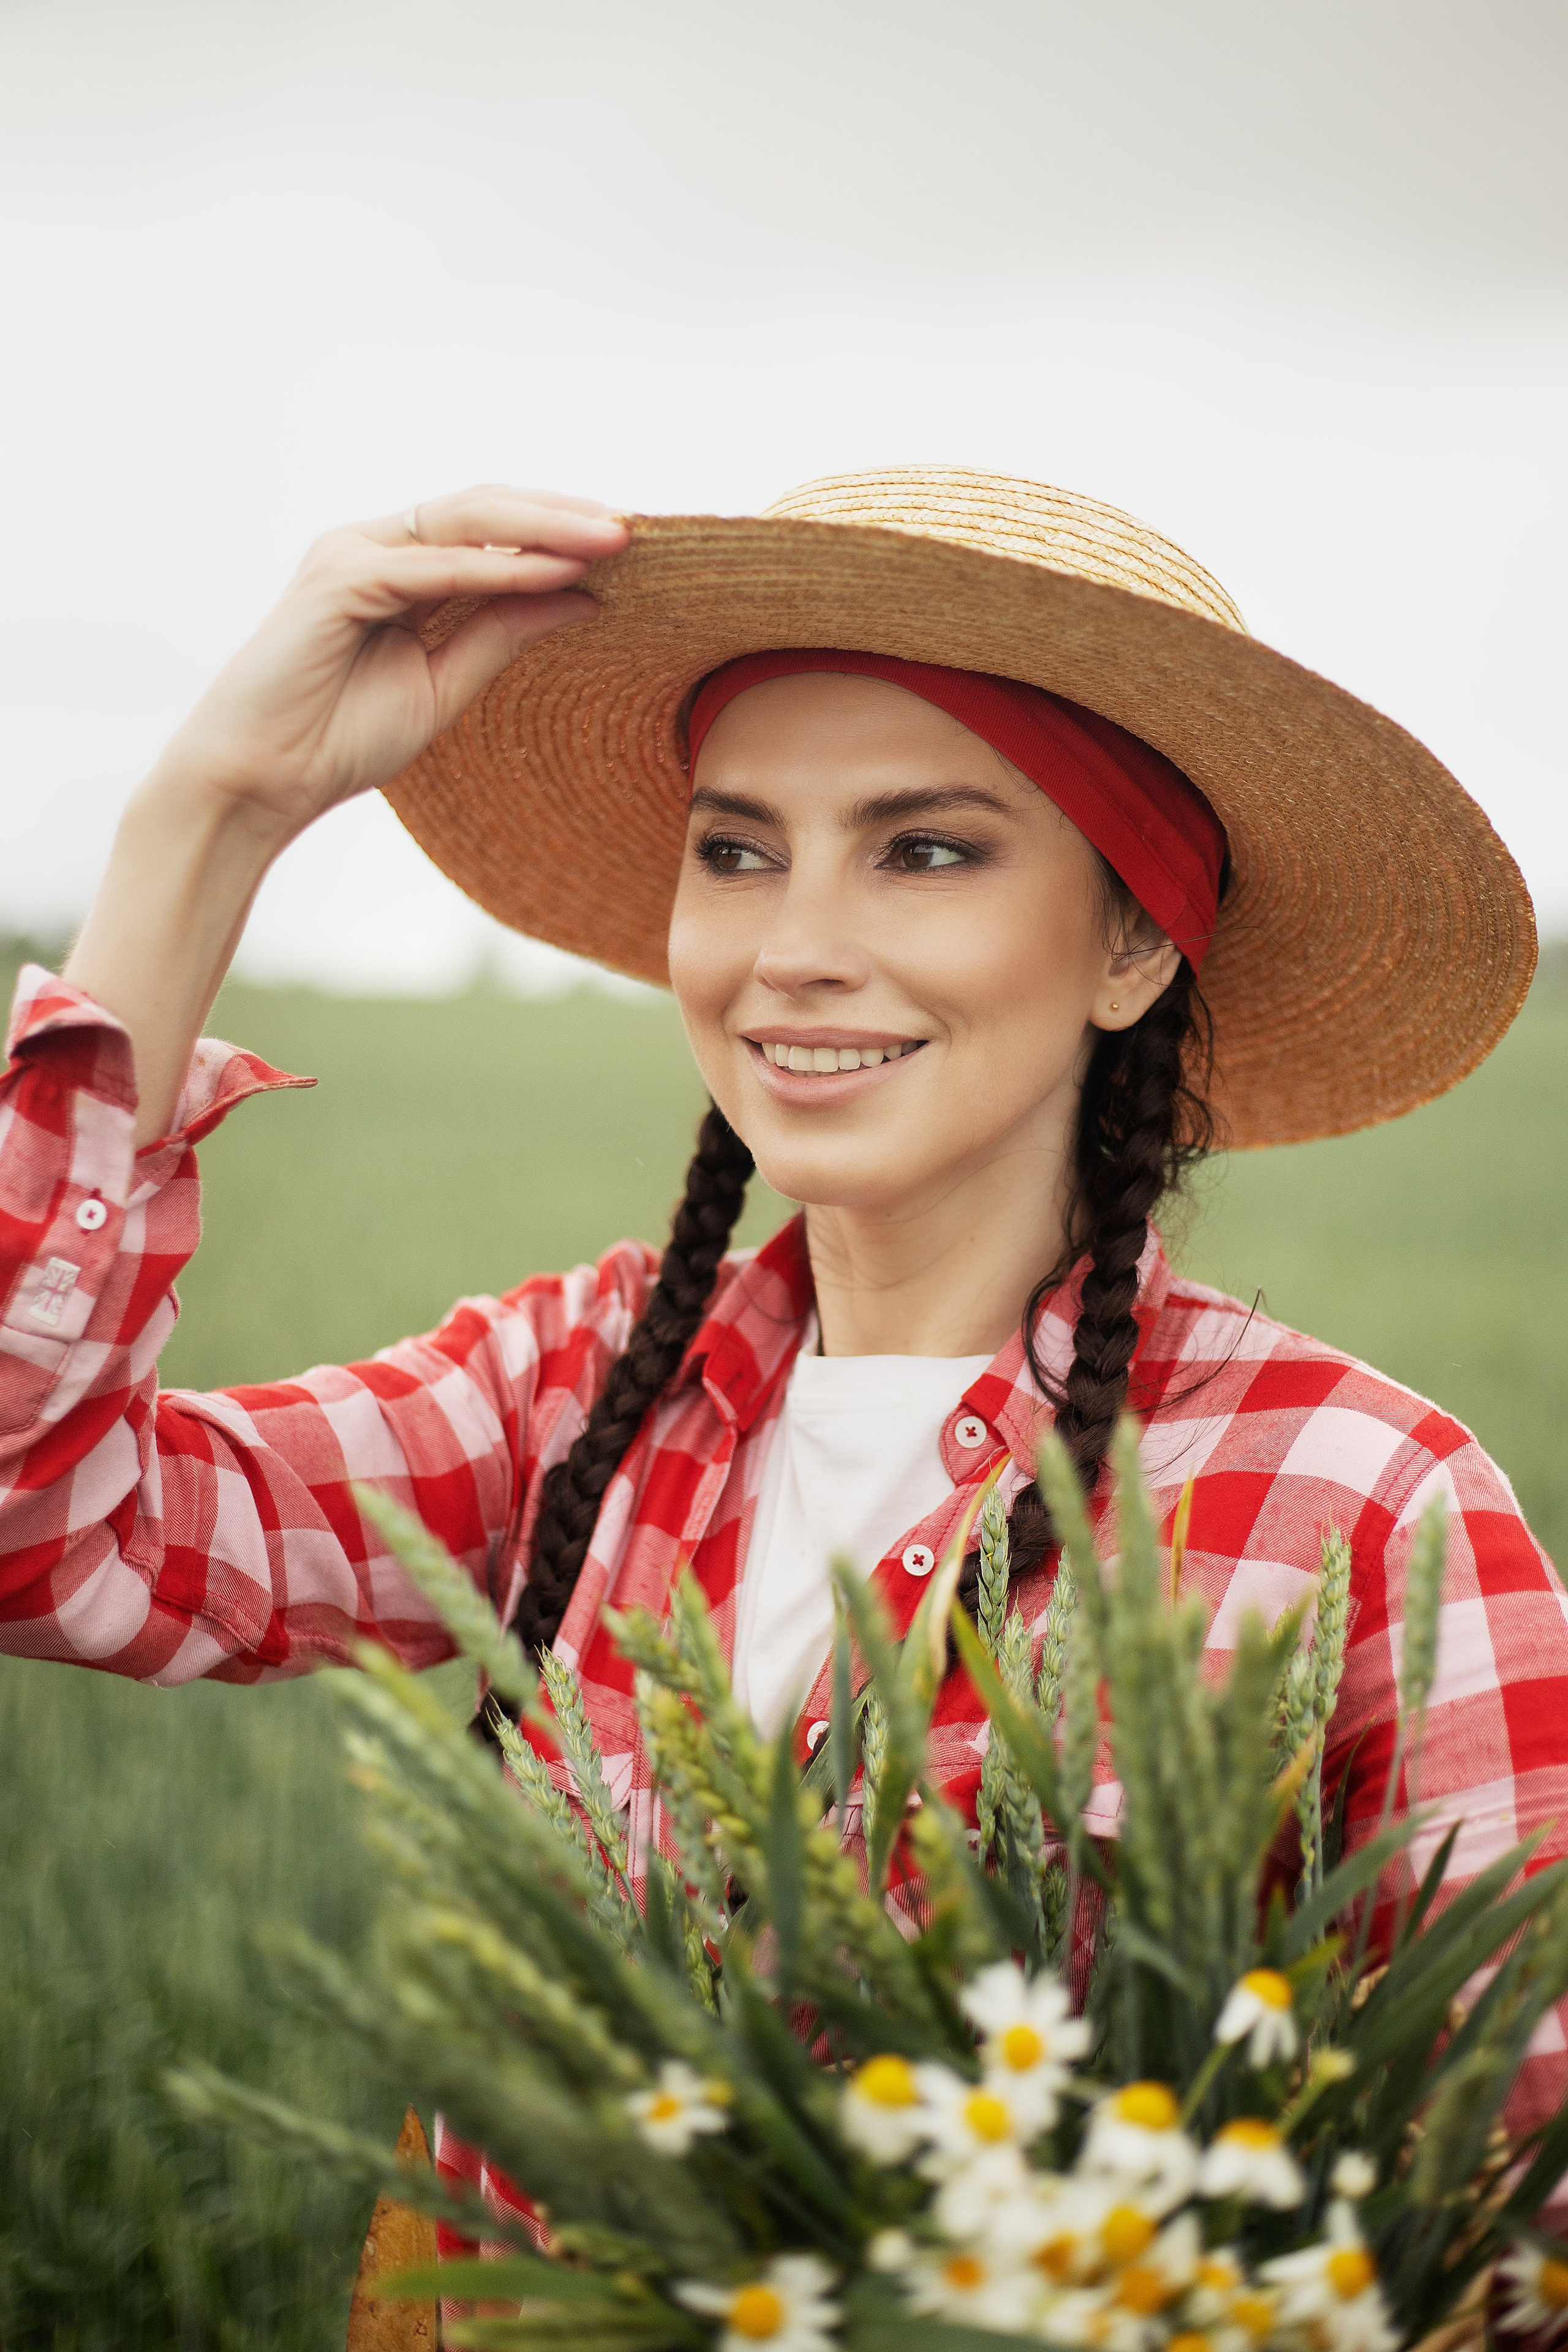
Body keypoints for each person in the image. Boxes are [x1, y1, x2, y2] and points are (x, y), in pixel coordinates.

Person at [2, 468, 1564, 2228]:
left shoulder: (1367, 1510)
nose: (796, 949)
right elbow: (47, 1522)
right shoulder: (579, 1393)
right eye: (738, 852)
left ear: (1133, 941)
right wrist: (210, 813)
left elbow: (1518, 2227)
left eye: (926, 849)